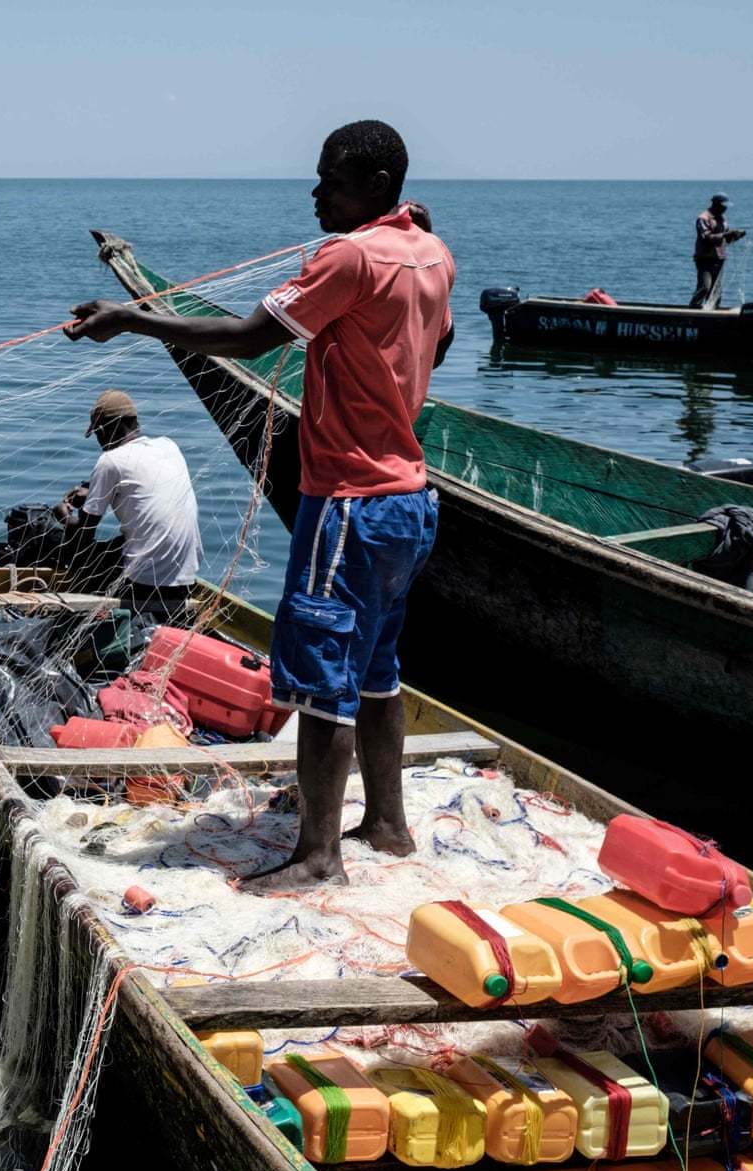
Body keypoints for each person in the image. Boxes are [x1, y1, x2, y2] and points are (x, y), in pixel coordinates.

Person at [65, 119, 454, 890]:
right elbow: (435, 349)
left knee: (320, 680)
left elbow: (249, 338)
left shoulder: (349, 255)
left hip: (346, 503)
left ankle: (316, 854)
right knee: (377, 671)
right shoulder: (432, 253)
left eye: (331, 181)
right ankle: (386, 823)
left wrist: (131, 319)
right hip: (410, 503)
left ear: (376, 186)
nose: (316, 193)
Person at [53, 389, 201, 625]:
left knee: (76, 552)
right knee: (122, 542)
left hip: (144, 582)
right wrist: (93, 490)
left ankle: (84, 614)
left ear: (106, 429)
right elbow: (141, 478)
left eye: (99, 434)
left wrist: (62, 515)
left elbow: (82, 538)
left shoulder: (109, 461)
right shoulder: (169, 446)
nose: (100, 443)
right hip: (185, 575)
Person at [690, 193, 746, 309]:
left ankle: (713, 311)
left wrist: (736, 236)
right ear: (716, 205)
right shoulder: (703, 218)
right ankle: (694, 309)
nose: (725, 209)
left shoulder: (722, 219)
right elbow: (707, 237)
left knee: (716, 291)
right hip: (705, 259)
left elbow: (726, 238)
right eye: (723, 206)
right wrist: (726, 234)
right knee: (705, 287)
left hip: (719, 258)